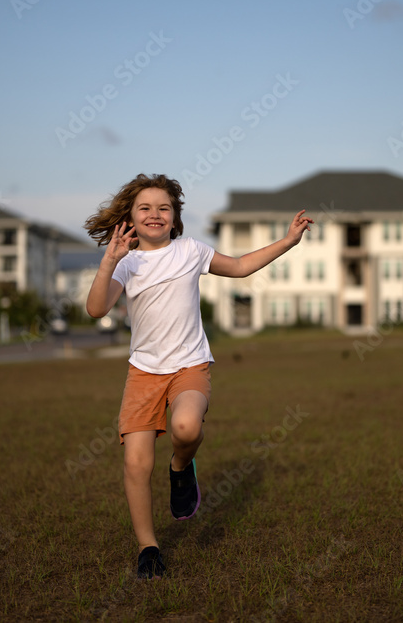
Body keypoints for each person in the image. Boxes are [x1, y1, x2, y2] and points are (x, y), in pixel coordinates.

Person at [84, 173, 313, 579]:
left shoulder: (190, 250)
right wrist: (109, 261)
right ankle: (148, 548)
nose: (155, 214)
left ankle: (180, 467)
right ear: (130, 218)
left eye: (164, 208)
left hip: (190, 364)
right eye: (145, 208)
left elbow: (241, 266)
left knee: (186, 428)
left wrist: (288, 241)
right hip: (144, 373)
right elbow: (97, 309)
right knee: (136, 464)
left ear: (175, 218)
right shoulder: (127, 263)